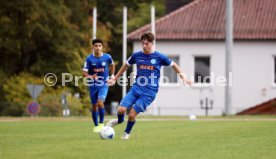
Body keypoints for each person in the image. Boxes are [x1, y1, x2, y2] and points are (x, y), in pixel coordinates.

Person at [107, 32, 192, 139]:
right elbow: (126, 65)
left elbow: (174, 65)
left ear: (152, 43)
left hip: (149, 92)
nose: (144, 46)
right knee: (121, 110)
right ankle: (119, 120)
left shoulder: (159, 57)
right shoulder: (136, 55)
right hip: (136, 88)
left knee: (132, 114)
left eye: (146, 43)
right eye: (142, 43)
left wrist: (183, 77)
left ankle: (126, 134)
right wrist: (115, 78)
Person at [83, 39, 115, 132]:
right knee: (94, 106)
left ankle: (101, 124)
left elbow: (112, 64)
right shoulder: (89, 59)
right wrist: (91, 76)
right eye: (96, 46)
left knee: (100, 102)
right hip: (93, 84)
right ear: (93, 47)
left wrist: (112, 75)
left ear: (102, 47)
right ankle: (96, 125)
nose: (98, 48)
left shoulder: (107, 57)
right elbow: (84, 73)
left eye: (99, 46)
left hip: (103, 83)